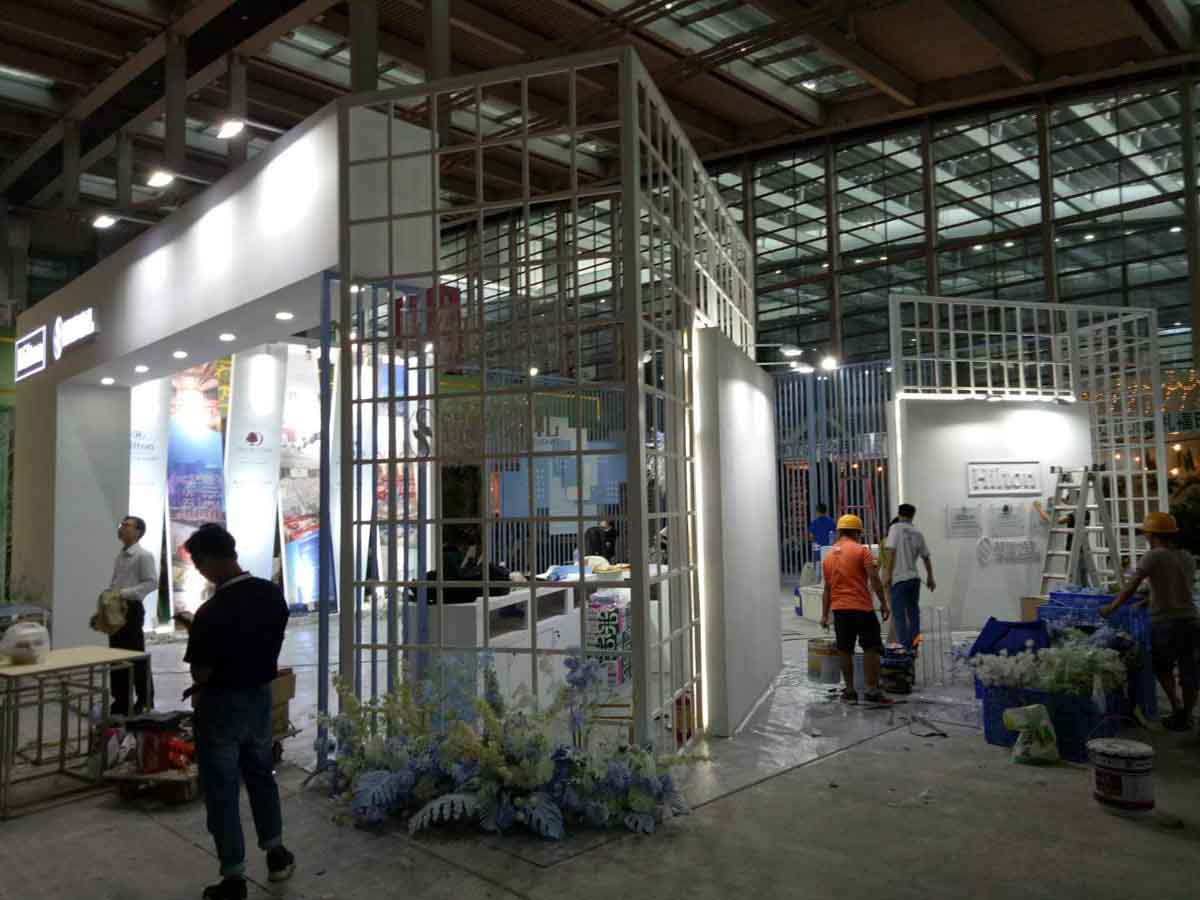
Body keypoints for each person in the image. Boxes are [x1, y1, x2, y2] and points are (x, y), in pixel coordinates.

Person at [182, 524, 295, 900]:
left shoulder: (211, 612)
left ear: (209, 559)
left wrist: (196, 635)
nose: (201, 571)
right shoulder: (271, 595)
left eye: (199, 564)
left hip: (221, 706)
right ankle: (276, 853)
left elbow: (201, 673)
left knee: (222, 788)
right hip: (260, 698)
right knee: (261, 774)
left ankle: (233, 876)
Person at [1101, 512, 1198, 732]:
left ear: (1152, 534)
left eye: (1146, 533)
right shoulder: (1187, 557)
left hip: (1164, 622)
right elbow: (1177, 587)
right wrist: (1147, 600)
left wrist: (1111, 607)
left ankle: (1176, 707)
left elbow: (1131, 585)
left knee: (1163, 668)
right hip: (1190, 620)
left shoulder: (1153, 556)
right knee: (1189, 671)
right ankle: (1186, 715)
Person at [820, 514, 891, 704]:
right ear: (856, 532)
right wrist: (884, 603)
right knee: (871, 647)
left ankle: (850, 691)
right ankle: (872, 690)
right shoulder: (861, 551)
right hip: (862, 608)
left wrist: (824, 615)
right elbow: (874, 578)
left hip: (839, 610)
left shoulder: (828, 557)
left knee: (845, 650)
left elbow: (827, 589)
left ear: (840, 532)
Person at [108, 515, 157, 715]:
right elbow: (116, 581)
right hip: (116, 609)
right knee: (116, 656)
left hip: (131, 609)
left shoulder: (143, 556)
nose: (122, 528)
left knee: (136, 656)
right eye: (122, 525)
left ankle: (145, 700)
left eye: (127, 525)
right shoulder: (120, 556)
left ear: (138, 532)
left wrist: (124, 593)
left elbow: (151, 583)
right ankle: (121, 700)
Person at [882, 504, 935, 651]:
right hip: (914, 579)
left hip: (899, 580)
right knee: (913, 614)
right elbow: (926, 557)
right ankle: (914, 645)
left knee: (899, 616)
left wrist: (887, 574)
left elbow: (891, 552)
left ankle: (905, 648)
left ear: (899, 514)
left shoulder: (895, 528)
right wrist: (930, 577)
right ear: (913, 515)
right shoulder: (917, 533)